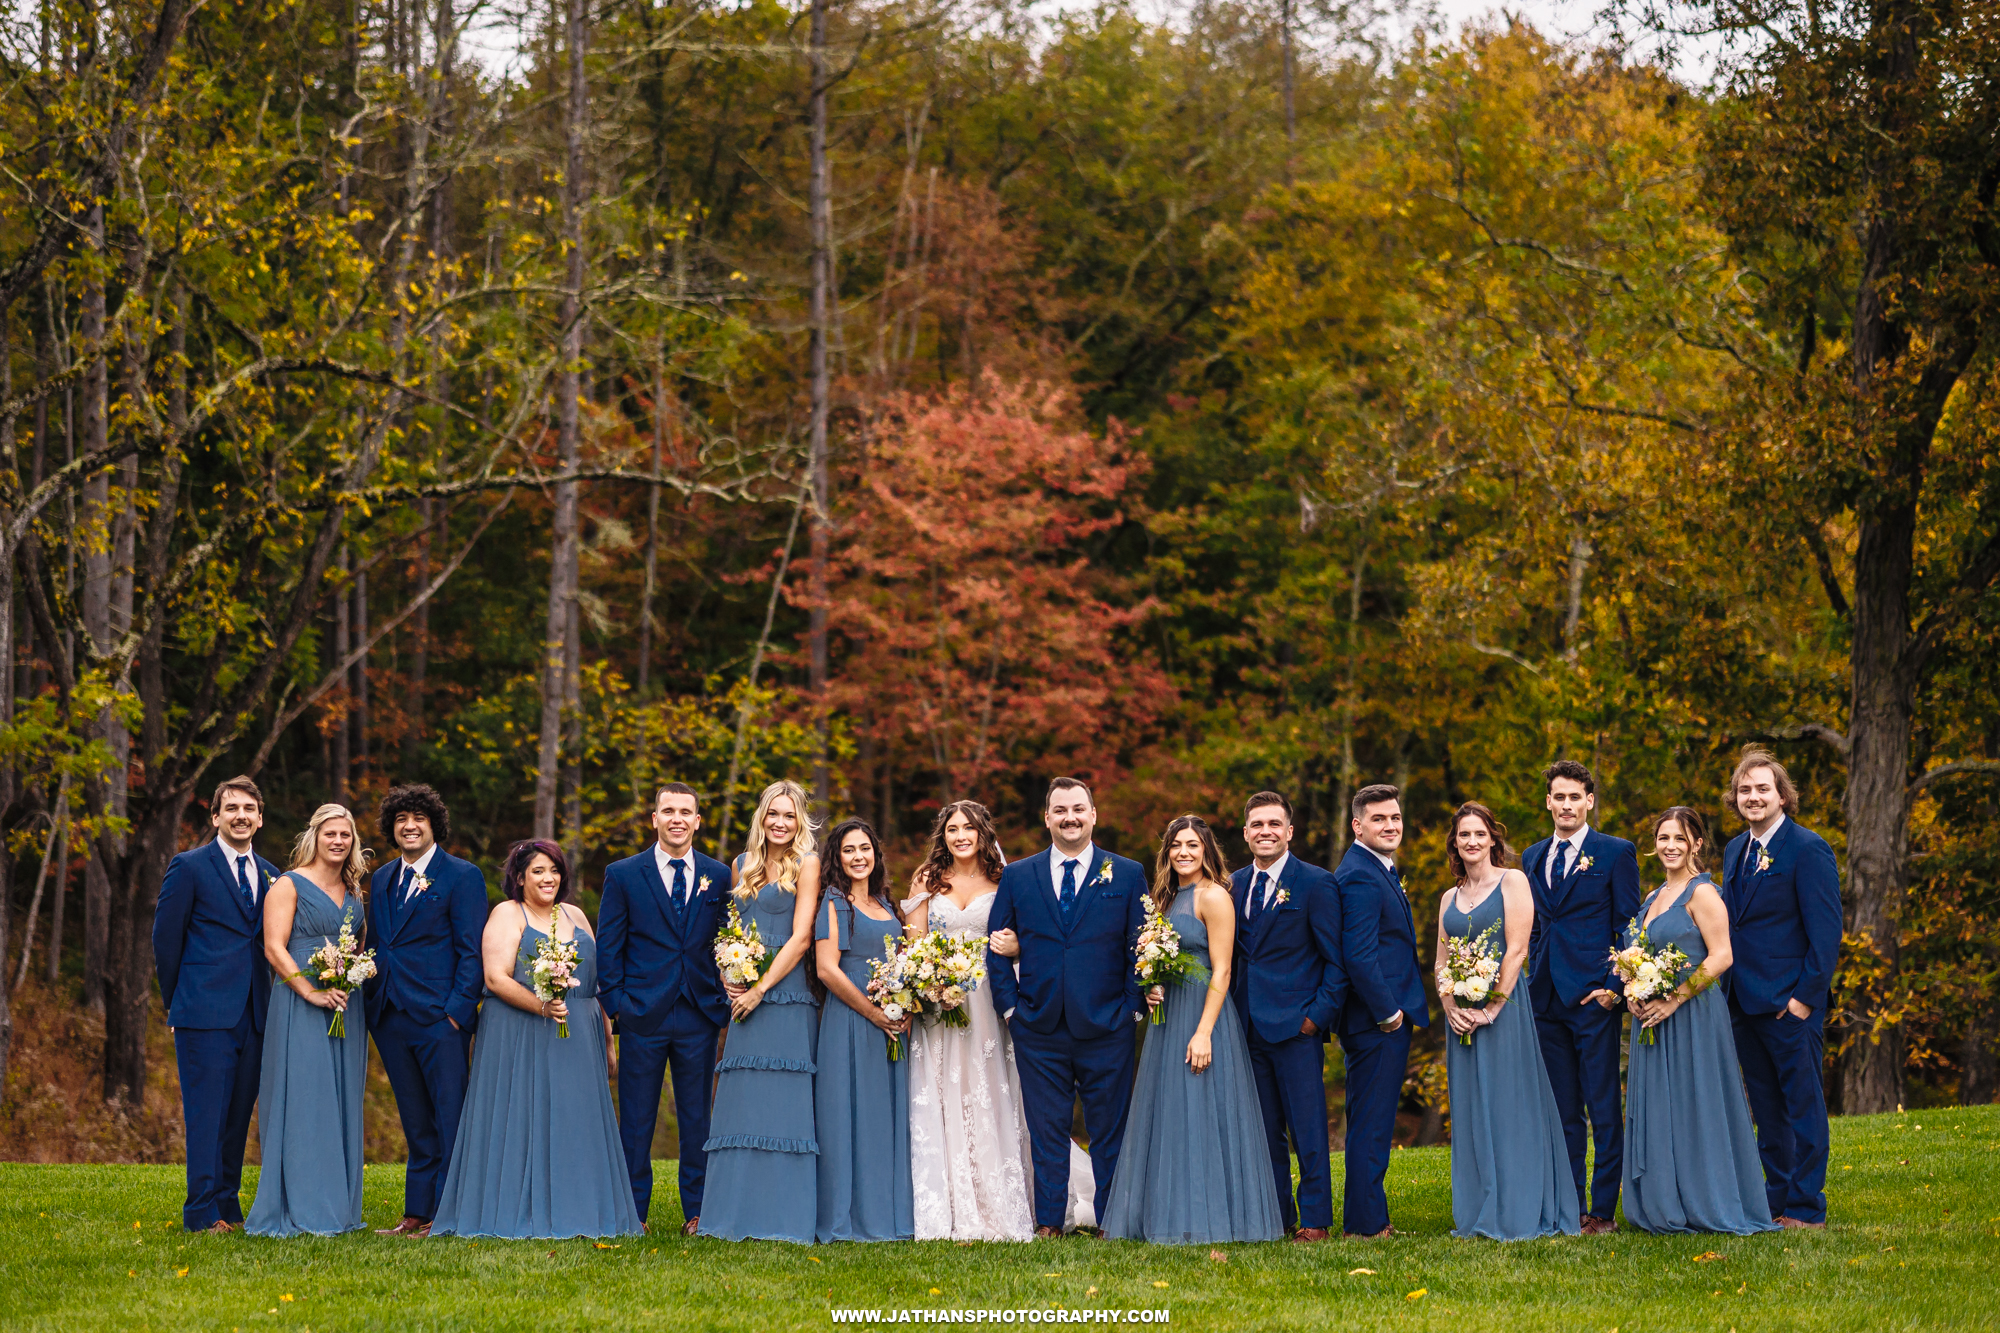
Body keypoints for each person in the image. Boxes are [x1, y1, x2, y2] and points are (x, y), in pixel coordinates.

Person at [430, 840, 642, 1239]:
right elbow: (495, 978)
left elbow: (596, 985)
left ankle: (581, 1209)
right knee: (524, 1116)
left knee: (574, 1119)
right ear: (520, 877)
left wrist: (608, 1041)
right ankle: (516, 1208)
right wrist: (541, 1007)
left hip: (578, 1031)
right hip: (520, 1031)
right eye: (539, 871)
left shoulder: (576, 915)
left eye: (555, 870)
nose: (548, 878)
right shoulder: (507, 914)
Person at [1102, 816, 1283, 1244]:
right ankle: (1166, 1214)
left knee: (1202, 1112)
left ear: (1206, 850)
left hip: (1204, 1016)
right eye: (1176, 845)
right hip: (1168, 1019)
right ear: (1166, 852)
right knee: (1170, 1114)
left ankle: (1213, 1218)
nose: (1184, 852)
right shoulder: (1162, 899)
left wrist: (1203, 1033)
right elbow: (1158, 959)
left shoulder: (1213, 897)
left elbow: (1222, 969)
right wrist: (1152, 985)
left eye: (1192, 845)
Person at [985, 777, 1148, 1237]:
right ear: (1047, 818)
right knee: (1047, 1130)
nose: (1070, 817)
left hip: (1107, 1024)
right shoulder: (1019, 875)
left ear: (1093, 815)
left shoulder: (1128, 873)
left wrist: (1132, 1010)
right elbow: (996, 948)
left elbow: (1143, 946)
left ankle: (1111, 1220)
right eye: (1060, 810)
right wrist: (1011, 1009)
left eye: (1079, 808)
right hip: (1039, 1025)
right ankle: (1050, 1221)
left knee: (1109, 1129)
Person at [1622, 807, 1777, 1236]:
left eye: (1679, 838)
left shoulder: (1703, 893)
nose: (1670, 846)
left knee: (1695, 1104)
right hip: (1650, 1018)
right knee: (1660, 1106)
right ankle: (1661, 1201)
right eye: (1663, 838)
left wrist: (1673, 998)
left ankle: (1704, 1199)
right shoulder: (1653, 898)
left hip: (1691, 1016)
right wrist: (1635, 992)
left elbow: (1722, 955)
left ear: (1696, 844)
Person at [1434, 802, 1579, 1240]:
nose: (1472, 841)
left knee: (1509, 1107)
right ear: (1455, 843)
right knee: (1473, 1111)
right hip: (1461, 1018)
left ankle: (1519, 1207)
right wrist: (1450, 1007)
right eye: (1464, 835)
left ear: (1493, 839)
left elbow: (1517, 949)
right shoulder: (1448, 896)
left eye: (1480, 833)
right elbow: (1441, 960)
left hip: (1503, 1013)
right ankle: (1478, 1207)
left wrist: (1492, 1007)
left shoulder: (1512, 881)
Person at [596, 783, 732, 1234]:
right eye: (667, 810)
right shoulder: (623, 873)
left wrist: (720, 998)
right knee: (636, 1119)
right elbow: (609, 946)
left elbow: (725, 942)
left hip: (699, 1013)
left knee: (698, 1118)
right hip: (642, 1013)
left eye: (685, 811)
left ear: (697, 821)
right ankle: (633, 1213)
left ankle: (698, 1211)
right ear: (653, 818)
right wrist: (617, 1005)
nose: (676, 818)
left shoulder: (719, 875)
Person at [1517, 760, 1642, 1235]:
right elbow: (1534, 924)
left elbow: (1629, 925)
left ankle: (1602, 1211)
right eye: (1559, 797)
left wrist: (1614, 988)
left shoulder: (1615, 853)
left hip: (1594, 997)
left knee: (1603, 1105)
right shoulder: (1531, 857)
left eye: (1576, 797)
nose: (1566, 805)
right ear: (1548, 801)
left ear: (1589, 801)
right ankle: (1570, 1205)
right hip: (1545, 997)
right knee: (1563, 1109)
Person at [902, 800, 1036, 1241]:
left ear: (982, 833)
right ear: (943, 835)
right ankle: (944, 1201)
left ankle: (994, 1198)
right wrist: (927, 981)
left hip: (987, 998)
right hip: (940, 1000)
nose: (960, 836)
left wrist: (1016, 947)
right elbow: (913, 942)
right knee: (940, 1087)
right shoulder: (927, 878)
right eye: (952, 828)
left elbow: (1026, 935)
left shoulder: (1005, 878)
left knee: (986, 1085)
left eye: (968, 828)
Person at [1720, 747, 1842, 1230]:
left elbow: (1826, 933)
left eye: (1762, 789)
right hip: (1744, 1003)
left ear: (1782, 796)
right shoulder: (1735, 850)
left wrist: (1803, 1001)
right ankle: (1776, 1202)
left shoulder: (1808, 848)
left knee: (1803, 1108)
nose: (1753, 797)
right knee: (1767, 1111)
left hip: (1791, 1003)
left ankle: (1807, 1208)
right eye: (1745, 790)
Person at [153, 777, 281, 1234]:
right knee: (206, 1115)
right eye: (231, 809)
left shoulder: (271, 874)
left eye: (249, 808)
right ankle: (201, 1212)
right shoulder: (188, 867)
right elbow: (165, 941)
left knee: (236, 1118)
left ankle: (229, 1206)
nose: (241, 816)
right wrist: (180, 1005)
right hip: (203, 1014)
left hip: (255, 1013)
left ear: (260, 817)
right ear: (215, 817)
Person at [699, 779, 824, 1243]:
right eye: (774, 813)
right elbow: (731, 932)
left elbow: (802, 937)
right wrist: (731, 975)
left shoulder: (807, 863)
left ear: (800, 821)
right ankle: (733, 1214)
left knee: (785, 1099)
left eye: (789, 815)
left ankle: (785, 1217)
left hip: (786, 992)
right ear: (761, 816)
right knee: (743, 1097)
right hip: (743, 990)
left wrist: (761, 989)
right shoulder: (741, 865)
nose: (780, 823)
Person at [364, 784, 488, 1237]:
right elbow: (379, 943)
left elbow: (471, 949)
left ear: (434, 824)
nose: (409, 826)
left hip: (440, 1018)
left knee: (449, 1115)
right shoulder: (381, 879)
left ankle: (451, 1212)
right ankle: (417, 1211)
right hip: (391, 1015)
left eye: (418, 818)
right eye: (401, 819)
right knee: (414, 1117)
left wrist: (457, 1011)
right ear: (391, 828)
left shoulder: (462, 875)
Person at [245, 804, 371, 1237]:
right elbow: (273, 947)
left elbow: (357, 946)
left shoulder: (355, 891)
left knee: (340, 1098)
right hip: (300, 1001)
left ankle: (338, 1207)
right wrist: (309, 990)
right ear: (315, 836)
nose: (338, 842)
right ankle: (299, 1205)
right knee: (305, 1097)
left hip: (345, 1005)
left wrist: (350, 976)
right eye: (331, 834)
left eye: (346, 836)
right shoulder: (288, 884)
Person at [1227, 790, 1346, 1242]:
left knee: (1307, 1128)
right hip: (1246, 1027)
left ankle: (1315, 1220)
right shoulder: (1232, 884)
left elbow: (1336, 961)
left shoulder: (1316, 883)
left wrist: (1315, 1017)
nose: (1266, 832)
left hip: (1298, 1027)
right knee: (1264, 1131)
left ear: (1289, 831)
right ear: (1245, 833)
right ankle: (1275, 1217)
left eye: (1274, 824)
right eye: (1257, 825)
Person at [1333, 783, 1428, 1239]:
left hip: (1380, 1019)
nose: (1390, 826)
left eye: (1395, 818)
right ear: (1357, 825)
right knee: (1372, 1124)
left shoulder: (1377, 867)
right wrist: (1388, 1013)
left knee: (1371, 1121)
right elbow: (1359, 953)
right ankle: (1367, 1226)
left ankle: (1368, 1218)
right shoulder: (1359, 874)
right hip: (1376, 1021)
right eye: (1378, 819)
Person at [813, 819, 914, 1242]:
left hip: (891, 1025)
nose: (859, 857)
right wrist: (874, 1014)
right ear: (836, 858)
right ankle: (849, 1218)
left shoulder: (887, 903)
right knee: (848, 1117)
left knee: (884, 1118)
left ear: (876, 853)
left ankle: (888, 1213)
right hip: (851, 1023)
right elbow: (826, 970)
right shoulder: (834, 902)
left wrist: (908, 1003)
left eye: (865, 848)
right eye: (849, 850)